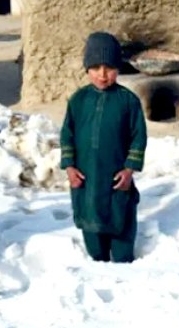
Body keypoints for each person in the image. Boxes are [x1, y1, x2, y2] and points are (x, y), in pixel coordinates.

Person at [60, 32, 148, 263]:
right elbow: (66, 135)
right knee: (92, 226)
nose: (102, 74)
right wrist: (69, 167)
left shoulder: (128, 101)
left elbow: (139, 137)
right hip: (86, 177)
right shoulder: (78, 100)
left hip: (116, 178)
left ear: (118, 68)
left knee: (121, 220)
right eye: (96, 67)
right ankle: (97, 261)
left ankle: (123, 262)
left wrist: (129, 170)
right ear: (86, 68)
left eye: (109, 67)